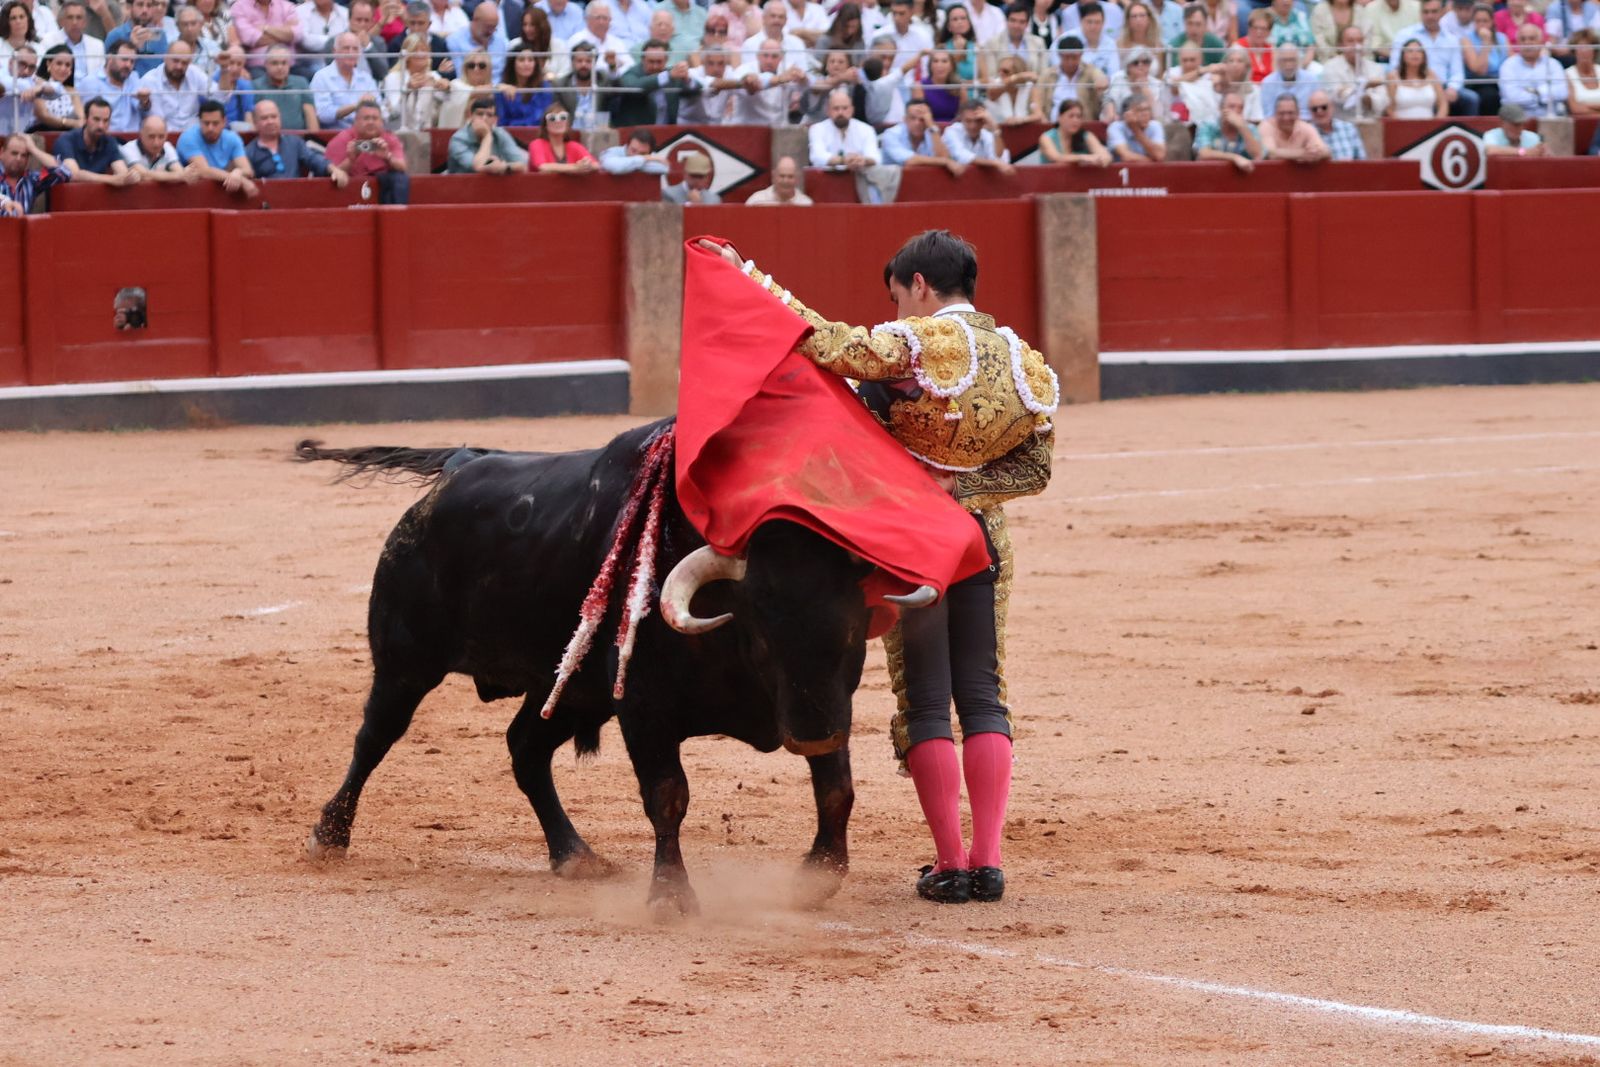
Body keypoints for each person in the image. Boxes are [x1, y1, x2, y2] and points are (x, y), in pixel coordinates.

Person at [699, 228, 1058, 906]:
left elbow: (828, 343)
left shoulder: (923, 344)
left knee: (926, 699)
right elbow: (1035, 469)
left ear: (920, 285)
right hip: (983, 540)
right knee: (982, 693)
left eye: (898, 298)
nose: (898, 312)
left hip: (913, 543)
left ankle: (950, 863)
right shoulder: (1026, 363)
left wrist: (746, 274)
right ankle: (988, 860)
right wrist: (965, 488)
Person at [1391, 0, 1478, 113]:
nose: (1430, 16)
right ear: (1420, 13)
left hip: (1445, 86)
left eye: (1434, 12)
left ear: (1442, 12)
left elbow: (1457, 72)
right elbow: (1394, 67)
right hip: (1414, 85)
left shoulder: (1451, 39)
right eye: (1426, 12)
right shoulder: (1405, 35)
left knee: (1471, 99)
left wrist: (1453, 88)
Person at [245, 96, 349, 178]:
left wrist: (333, 169)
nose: (270, 121)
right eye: (264, 118)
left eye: (274, 117)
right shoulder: (249, 151)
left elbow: (313, 159)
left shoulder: (294, 142)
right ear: (255, 123)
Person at [325, 98, 406, 201]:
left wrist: (387, 157)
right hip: (348, 190)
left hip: (384, 189)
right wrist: (350, 160)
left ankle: (396, 215)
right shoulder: (342, 140)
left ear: (381, 122)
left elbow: (402, 167)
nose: (371, 122)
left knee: (400, 178)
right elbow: (330, 174)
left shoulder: (389, 139)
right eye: (366, 118)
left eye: (375, 118)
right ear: (356, 121)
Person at [176, 97, 257, 191]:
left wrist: (238, 172)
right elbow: (204, 171)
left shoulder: (232, 138)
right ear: (199, 122)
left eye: (215, 123)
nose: (210, 128)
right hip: (191, 193)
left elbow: (247, 170)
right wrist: (242, 181)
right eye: (206, 123)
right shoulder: (188, 137)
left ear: (224, 122)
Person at [609, 37, 692, 125]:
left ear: (666, 60)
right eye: (651, 62)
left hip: (668, 132)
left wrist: (687, 79)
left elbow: (697, 88)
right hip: (638, 134)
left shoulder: (672, 75)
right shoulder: (631, 74)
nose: (655, 66)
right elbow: (634, 87)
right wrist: (666, 76)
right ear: (643, 60)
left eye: (659, 62)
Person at [54, 94, 136, 180]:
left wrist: (132, 176)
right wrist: (112, 180)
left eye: (106, 120)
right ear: (85, 119)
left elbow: (122, 173)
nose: (101, 126)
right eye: (96, 119)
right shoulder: (66, 140)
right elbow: (73, 174)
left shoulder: (109, 141)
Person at [134, 38, 209, 131]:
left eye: (184, 62)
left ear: (190, 62)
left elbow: (220, 96)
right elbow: (144, 116)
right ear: (165, 58)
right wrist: (144, 103)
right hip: (161, 138)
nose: (179, 66)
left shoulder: (195, 73)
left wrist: (225, 70)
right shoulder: (149, 80)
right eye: (175, 61)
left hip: (192, 136)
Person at [313, 31, 380, 128]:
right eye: (346, 48)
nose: (351, 53)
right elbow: (323, 114)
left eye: (355, 49)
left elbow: (380, 107)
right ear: (335, 51)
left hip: (365, 131)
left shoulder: (366, 78)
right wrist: (356, 106)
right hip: (334, 134)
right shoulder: (321, 77)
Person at [447, 92, 529, 172]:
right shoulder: (458, 139)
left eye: (489, 115)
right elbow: (478, 167)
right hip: (460, 184)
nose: (484, 118)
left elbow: (522, 165)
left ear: (495, 119)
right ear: (471, 116)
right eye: (479, 114)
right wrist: (487, 136)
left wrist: (504, 167)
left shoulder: (500, 133)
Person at [380, 31, 445, 129]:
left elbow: (444, 106)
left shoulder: (434, 76)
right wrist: (408, 89)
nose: (421, 54)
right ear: (407, 55)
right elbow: (393, 113)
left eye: (424, 49)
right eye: (415, 50)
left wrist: (446, 88)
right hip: (401, 128)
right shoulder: (393, 77)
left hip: (429, 128)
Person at [1498, 21, 1567, 113]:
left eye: (1532, 38)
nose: (1527, 43)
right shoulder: (1508, 65)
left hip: (1549, 120)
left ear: (1540, 41)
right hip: (1519, 120)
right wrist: (1543, 95)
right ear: (1518, 43)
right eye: (1523, 39)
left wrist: (1535, 92)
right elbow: (1512, 97)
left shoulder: (1553, 64)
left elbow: (1562, 92)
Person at [1322, 24, 1387, 120]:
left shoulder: (1376, 68)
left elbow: (1381, 102)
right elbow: (1338, 98)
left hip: (1370, 122)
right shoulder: (1330, 67)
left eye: (1360, 41)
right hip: (1342, 123)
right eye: (1350, 41)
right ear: (1341, 45)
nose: (1356, 46)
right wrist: (1366, 86)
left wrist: (1351, 91)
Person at [880, 98, 963, 174]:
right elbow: (910, 160)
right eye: (913, 118)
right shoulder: (891, 134)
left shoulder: (931, 132)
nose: (917, 123)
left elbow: (945, 157)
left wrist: (932, 126)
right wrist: (944, 161)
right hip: (891, 187)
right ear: (905, 119)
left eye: (922, 119)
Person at [0, 129, 70, 210]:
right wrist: (4, 202)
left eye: (24, 155)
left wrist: (33, 149)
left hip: (23, 222)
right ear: (1, 153)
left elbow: (64, 172)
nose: (19, 159)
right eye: (14, 153)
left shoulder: (32, 179)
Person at [78, 37, 138, 129]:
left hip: (133, 139)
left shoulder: (134, 78)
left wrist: (145, 101)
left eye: (132, 61)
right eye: (124, 59)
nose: (128, 65)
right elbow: (89, 123)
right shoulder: (91, 82)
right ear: (110, 58)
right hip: (104, 139)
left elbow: (142, 109)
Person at [1194, 86, 1262, 168]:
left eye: (1240, 108)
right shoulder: (1208, 126)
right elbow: (1204, 153)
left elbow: (1258, 155)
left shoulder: (1249, 128)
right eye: (1232, 107)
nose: (1236, 111)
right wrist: (1234, 158)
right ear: (1221, 109)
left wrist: (1242, 128)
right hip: (1211, 175)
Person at [39, 0, 105, 84]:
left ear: (85, 22)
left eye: (79, 17)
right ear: (61, 21)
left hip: (89, 93)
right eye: (70, 17)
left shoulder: (97, 45)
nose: (75, 22)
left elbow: (101, 76)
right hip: (58, 92)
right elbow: (41, 75)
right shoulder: (48, 42)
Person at [1043, 34, 1108, 118]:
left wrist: (1101, 81)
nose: (1070, 62)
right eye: (1066, 57)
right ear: (1059, 55)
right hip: (1053, 125)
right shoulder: (1048, 75)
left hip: (1084, 125)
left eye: (1074, 57)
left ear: (1081, 55)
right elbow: (1038, 99)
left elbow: (1100, 78)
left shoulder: (1090, 71)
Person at [980, 2, 1048, 82]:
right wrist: (1016, 79)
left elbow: (1043, 76)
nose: (1016, 25)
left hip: (1032, 90)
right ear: (1006, 21)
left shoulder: (1038, 43)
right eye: (1013, 20)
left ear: (1027, 24)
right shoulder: (992, 43)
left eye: (1021, 22)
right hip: (1002, 91)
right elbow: (992, 76)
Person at [943, 98, 1014, 172]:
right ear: (961, 119)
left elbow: (1000, 158)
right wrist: (995, 163)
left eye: (977, 121)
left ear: (984, 121)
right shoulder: (951, 131)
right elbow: (962, 156)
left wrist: (995, 128)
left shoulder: (986, 135)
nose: (973, 126)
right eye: (968, 121)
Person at [1461, 3, 1508, 116]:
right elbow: (1478, 70)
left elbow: (1510, 63)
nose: (1481, 25)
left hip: (1500, 82)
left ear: (1492, 22)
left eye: (1485, 21)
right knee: (1489, 96)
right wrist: (1485, 43)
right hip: (1479, 83)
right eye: (1478, 21)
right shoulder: (1466, 40)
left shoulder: (1502, 38)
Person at [254, 43, 316, 128]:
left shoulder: (301, 83)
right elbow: (254, 119)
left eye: (284, 63)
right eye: (274, 63)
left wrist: (313, 139)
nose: (280, 67)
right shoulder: (255, 86)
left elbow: (310, 116)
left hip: (299, 139)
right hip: (268, 138)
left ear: (289, 64)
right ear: (266, 64)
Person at [551, 40, 609, 130]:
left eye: (588, 61)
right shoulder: (561, 84)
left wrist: (613, 67)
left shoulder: (603, 79)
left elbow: (618, 85)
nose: (583, 65)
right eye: (579, 61)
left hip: (599, 133)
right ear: (572, 62)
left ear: (595, 63)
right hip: (570, 134)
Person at [232, 0, 301, 72]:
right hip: (258, 67)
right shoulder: (240, 6)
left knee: (307, 78)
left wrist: (266, 28)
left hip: (290, 66)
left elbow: (296, 35)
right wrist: (284, 36)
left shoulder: (287, 6)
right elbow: (249, 38)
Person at [1260, 88, 1330, 159]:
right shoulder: (1267, 126)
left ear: (1298, 113)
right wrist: (1302, 154)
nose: (1286, 118)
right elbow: (1270, 153)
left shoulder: (1305, 127)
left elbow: (1326, 151)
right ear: (1275, 114)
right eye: (1282, 113)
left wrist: (1316, 152)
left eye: (1290, 113)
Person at [103, 0, 167, 75]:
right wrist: (132, 46)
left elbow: (163, 69)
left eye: (149, 6)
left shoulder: (160, 36)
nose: (145, 10)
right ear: (129, 7)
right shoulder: (115, 35)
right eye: (140, 4)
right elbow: (107, 70)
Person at [1104, 43, 1168, 119]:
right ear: (1128, 66)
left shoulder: (1157, 84)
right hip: (1121, 121)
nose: (1140, 66)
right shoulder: (1119, 79)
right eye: (1135, 63)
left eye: (1145, 62)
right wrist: (1112, 114)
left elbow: (1158, 115)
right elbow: (1110, 99)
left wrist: (1145, 88)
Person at [1038, 95, 1111, 162]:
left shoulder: (1086, 136)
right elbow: (1057, 158)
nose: (1075, 120)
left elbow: (1106, 157)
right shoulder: (1046, 138)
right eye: (1071, 116)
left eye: (1079, 117)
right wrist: (1083, 158)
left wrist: (1100, 160)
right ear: (1059, 117)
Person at [1387, 37, 1448, 115]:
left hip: (1429, 125)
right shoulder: (1393, 76)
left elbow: (1443, 104)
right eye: (1410, 51)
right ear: (1403, 56)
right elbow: (1390, 109)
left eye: (1419, 51)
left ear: (1424, 56)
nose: (1415, 54)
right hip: (1402, 125)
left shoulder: (1431, 75)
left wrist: (1437, 124)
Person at [120, 111, 191, 179]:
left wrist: (179, 175)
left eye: (161, 137)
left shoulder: (167, 147)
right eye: (151, 137)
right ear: (141, 135)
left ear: (166, 135)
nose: (156, 143)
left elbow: (179, 171)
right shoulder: (128, 149)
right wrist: (178, 176)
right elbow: (144, 175)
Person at [31, 43, 85, 130]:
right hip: (41, 132)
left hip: (69, 135)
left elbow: (81, 121)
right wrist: (67, 122)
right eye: (59, 63)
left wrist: (69, 123)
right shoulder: (38, 85)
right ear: (48, 64)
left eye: (68, 65)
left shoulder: (72, 91)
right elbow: (43, 116)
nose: (63, 69)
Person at [1257, 40, 1318, 116]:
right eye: (1284, 60)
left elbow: (1316, 111)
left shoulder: (1311, 80)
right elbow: (1268, 115)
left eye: (1292, 60)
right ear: (1278, 62)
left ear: (1299, 61)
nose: (1289, 65)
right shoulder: (1268, 83)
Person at [494, 43, 550, 125]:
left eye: (530, 60)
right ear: (513, 63)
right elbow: (501, 121)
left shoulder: (544, 87)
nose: (526, 64)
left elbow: (542, 119)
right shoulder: (503, 89)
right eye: (521, 60)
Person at [527, 103, 591, 171]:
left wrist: (586, 165)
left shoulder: (574, 146)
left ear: (567, 125)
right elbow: (543, 167)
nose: (558, 121)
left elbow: (595, 164)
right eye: (552, 118)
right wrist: (576, 167)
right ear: (545, 125)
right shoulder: (536, 144)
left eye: (563, 117)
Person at [1106, 90, 1166, 160]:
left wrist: (1136, 131)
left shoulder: (1155, 125)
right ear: (1126, 114)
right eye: (1140, 110)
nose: (1146, 114)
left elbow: (1160, 155)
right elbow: (1126, 157)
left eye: (1148, 109)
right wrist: (1134, 128)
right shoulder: (1115, 127)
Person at [1307, 87, 1364, 157]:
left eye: (1324, 107)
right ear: (1310, 112)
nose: (1319, 111)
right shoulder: (1306, 133)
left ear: (1332, 107)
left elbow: (1362, 160)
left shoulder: (1349, 128)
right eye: (1314, 109)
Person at [987, 53, 1044, 122]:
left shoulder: (1030, 87)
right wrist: (1014, 78)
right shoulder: (996, 84)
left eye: (1005, 71)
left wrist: (1020, 120)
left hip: (1023, 127)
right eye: (999, 71)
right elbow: (992, 95)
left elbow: (1038, 115)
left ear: (1017, 72)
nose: (1001, 74)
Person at [911, 47, 963, 122]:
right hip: (928, 128)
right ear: (930, 65)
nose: (939, 65)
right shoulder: (920, 87)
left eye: (944, 61)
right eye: (935, 61)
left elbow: (963, 115)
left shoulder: (960, 87)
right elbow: (920, 117)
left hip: (953, 130)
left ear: (951, 66)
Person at [211, 45, 254, 125]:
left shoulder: (245, 85)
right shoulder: (213, 81)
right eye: (231, 63)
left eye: (239, 64)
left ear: (244, 65)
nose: (235, 68)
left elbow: (249, 116)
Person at [1482, 99, 1546, 153]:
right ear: (1502, 123)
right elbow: (1491, 151)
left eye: (1522, 124)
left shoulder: (1533, 137)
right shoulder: (1491, 135)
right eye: (1515, 124)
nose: (1520, 128)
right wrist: (1523, 152)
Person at [745, 153, 811, 203]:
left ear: (797, 178)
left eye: (790, 176)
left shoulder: (805, 203)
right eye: (782, 176)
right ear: (774, 176)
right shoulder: (756, 201)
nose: (785, 181)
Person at [597, 125, 667, 172]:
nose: (637, 155)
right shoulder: (612, 152)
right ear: (627, 145)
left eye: (643, 154)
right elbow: (615, 167)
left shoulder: (653, 156)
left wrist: (630, 165)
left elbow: (663, 168)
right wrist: (644, 159)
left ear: (650, 152)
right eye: (633, 150)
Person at [1568, 28, 1600, 114]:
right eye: (1581, 47)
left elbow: (1580, 106)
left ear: (1594, 51)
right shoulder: (1567, 74)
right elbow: (1575, 108)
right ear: (1574, 51)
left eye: (1588, 47)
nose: (1584, 51)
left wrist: (1586, 105)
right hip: (1581, 123)